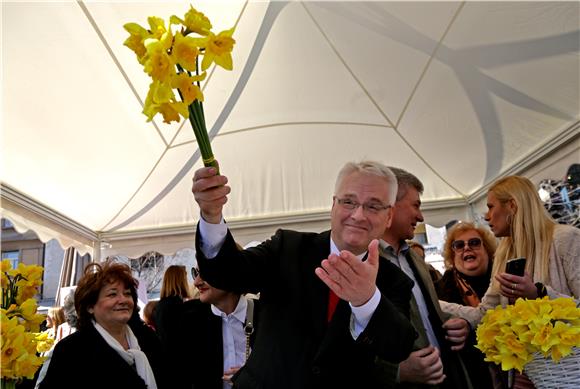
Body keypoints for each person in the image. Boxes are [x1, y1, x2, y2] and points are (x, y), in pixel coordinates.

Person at [192, 161, 417, 389]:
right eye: (348, 202)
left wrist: (366, 300)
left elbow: (399, 346)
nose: (358, 215)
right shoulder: (288, 248)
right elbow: (226, 273)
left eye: (373, 206)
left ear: (389, 216)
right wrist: (211, 215)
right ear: (333, 205)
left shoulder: (394, 280)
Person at [440, 175, 580, 388]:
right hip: (523, 376)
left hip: (566, 373)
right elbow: (485, 313)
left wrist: (539, 293)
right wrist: (428, 299)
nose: (487, 216)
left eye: (490, 207)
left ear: (512, 206)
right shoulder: (505, 253)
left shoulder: (566, 239)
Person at [377, 166, 473, 388]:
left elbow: (424, 314)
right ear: (391, 205)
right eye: (416, 205)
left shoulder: (415, 259)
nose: (420, 216)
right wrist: (397, 372)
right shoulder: (362, 263)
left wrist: (458, 325)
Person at [38, 261, 166, 389]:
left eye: (127, 293)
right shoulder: (72, 349)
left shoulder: (148, 339)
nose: (123, 300)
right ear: (90, 307)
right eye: (112, 294)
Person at [435, 222, 497, 389]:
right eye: (459, 245)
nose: (467, 248)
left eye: (475, 243)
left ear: (487, 249)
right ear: (452, 255)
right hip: (469, 377)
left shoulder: (502, 282)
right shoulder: (438, 291)